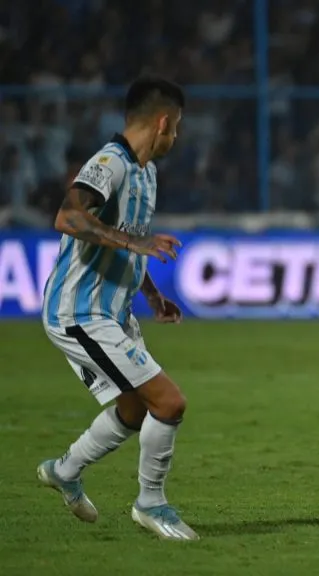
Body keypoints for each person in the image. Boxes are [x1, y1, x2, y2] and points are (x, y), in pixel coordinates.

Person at [37, 76, 197, 540]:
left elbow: (126, 239)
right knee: (169, 402)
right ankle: (152, 503)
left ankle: (65, 471)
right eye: (177, 127)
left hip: (114, 313)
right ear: (163, 122)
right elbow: (67, 217)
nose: (176, 137)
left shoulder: (146, 171)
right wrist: (137, 241)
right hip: (80, 313)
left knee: (134, 409)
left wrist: (150, 294)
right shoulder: (110, 163)